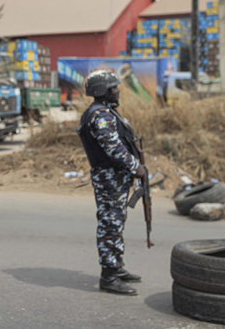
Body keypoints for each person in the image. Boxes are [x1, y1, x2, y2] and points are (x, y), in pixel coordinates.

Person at [76, 70, 146, 296]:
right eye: (113, 87)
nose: (117, 90)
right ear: (101, 91)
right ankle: (108, 277)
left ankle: (116, 267)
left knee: (116, 222)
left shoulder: (104, 112)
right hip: (110, 178)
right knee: (110, 224)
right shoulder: (100, 116)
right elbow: (114, 149)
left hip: (114, 177)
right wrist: (137, 167)